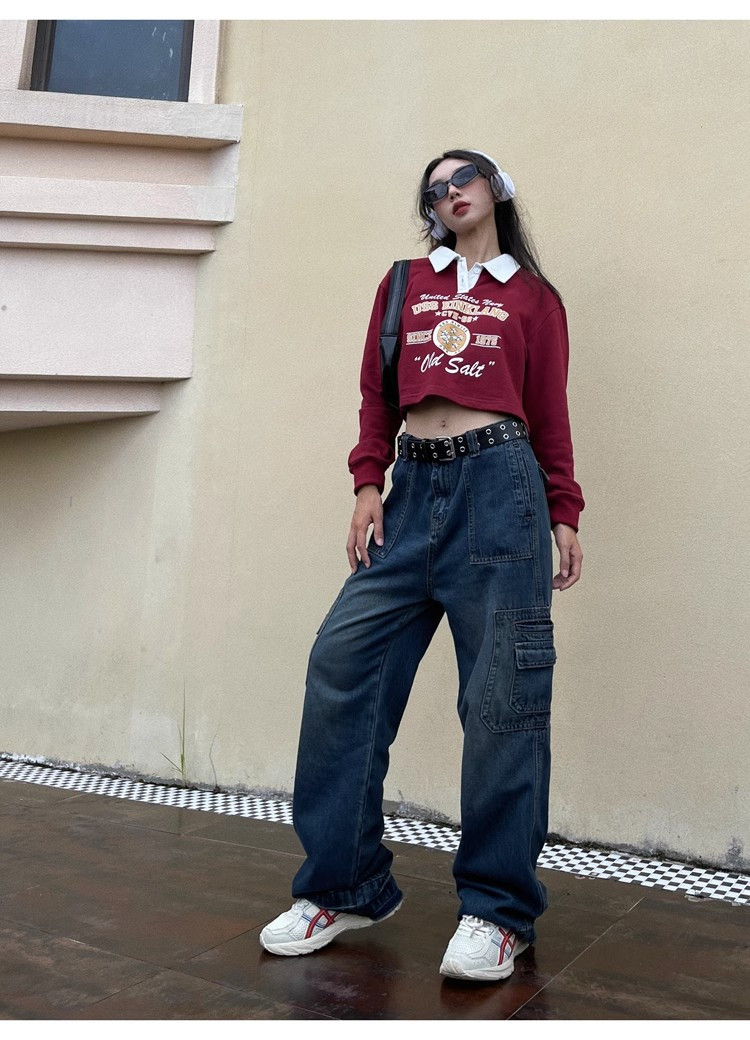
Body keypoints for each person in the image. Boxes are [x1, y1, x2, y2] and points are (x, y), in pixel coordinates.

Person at [259, 148, 584, 982]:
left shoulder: (533, 299)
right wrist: (367, 483)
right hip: (410, 493)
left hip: (502, 491)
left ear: (495, 189)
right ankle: (345, 885)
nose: (448, 193)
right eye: (434, 190)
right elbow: (377, 392)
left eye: (461, 178)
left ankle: (498, 911)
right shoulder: (405, 282)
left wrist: (564, 510)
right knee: (343, 665)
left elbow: (549, 411)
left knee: (504, 700)